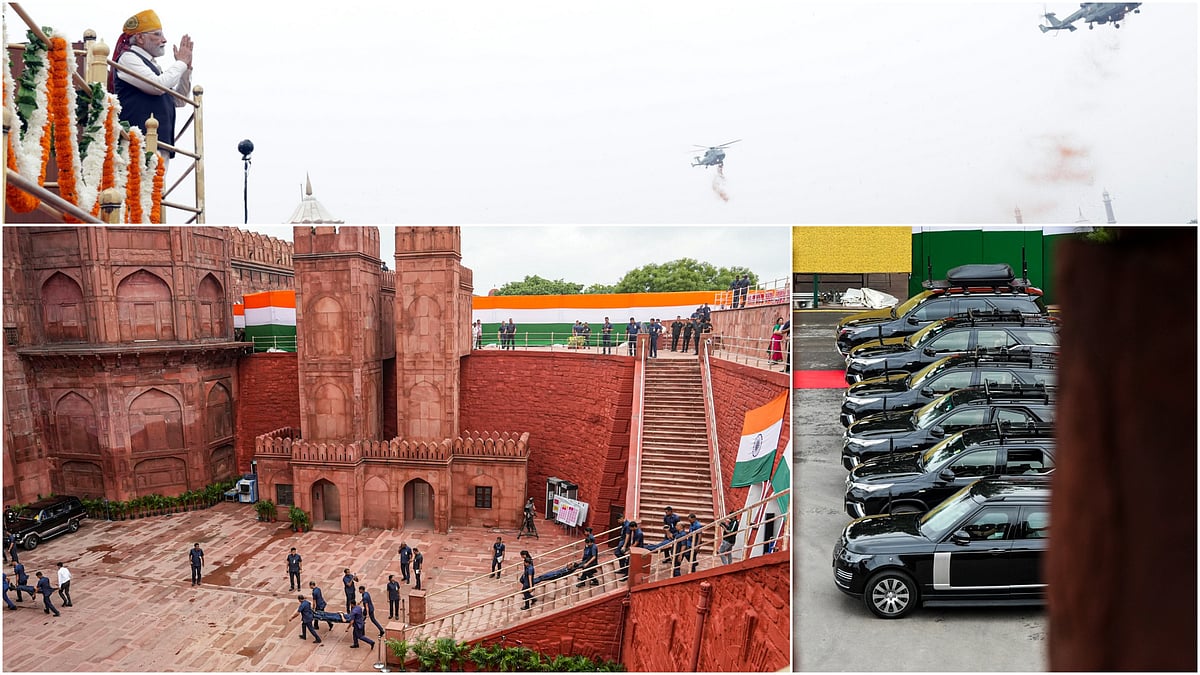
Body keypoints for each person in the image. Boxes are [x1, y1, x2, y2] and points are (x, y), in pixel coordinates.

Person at [111, 9, 194, 167]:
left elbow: (179, 100)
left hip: (159, 143)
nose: (164, 40)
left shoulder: (153, 66)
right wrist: (180, 63)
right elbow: (157, 87)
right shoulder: (128, 58)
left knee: (156, 191)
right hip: (138, 144)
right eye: (157, 35)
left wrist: (186, 69)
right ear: (140, 38)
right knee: (139, 190)